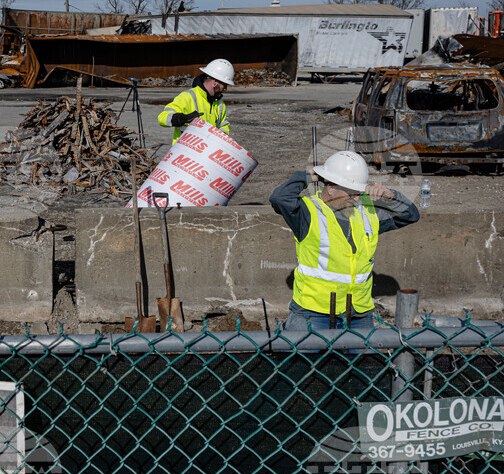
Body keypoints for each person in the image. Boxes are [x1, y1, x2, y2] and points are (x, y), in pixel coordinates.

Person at [270, 151, 419, 332]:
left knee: (360, 361)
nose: (356, 198)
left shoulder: (367, 211)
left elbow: (410, 215)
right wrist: (308, 176)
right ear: (331, 187)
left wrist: (391, 195)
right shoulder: (307, 212)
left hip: (358, 313)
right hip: (313, 312)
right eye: (350, 192)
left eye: (358, 192)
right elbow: (279, 198)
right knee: (307, 361)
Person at [157, 58, 234, 144]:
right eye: (224, 84)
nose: (226, 88)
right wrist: (182, 118)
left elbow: (223, 125)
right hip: (184, 152)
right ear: (215, 81)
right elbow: (162, 118)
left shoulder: (219, 103)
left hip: (207, 152)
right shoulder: (187, 96)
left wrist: (222, 135)